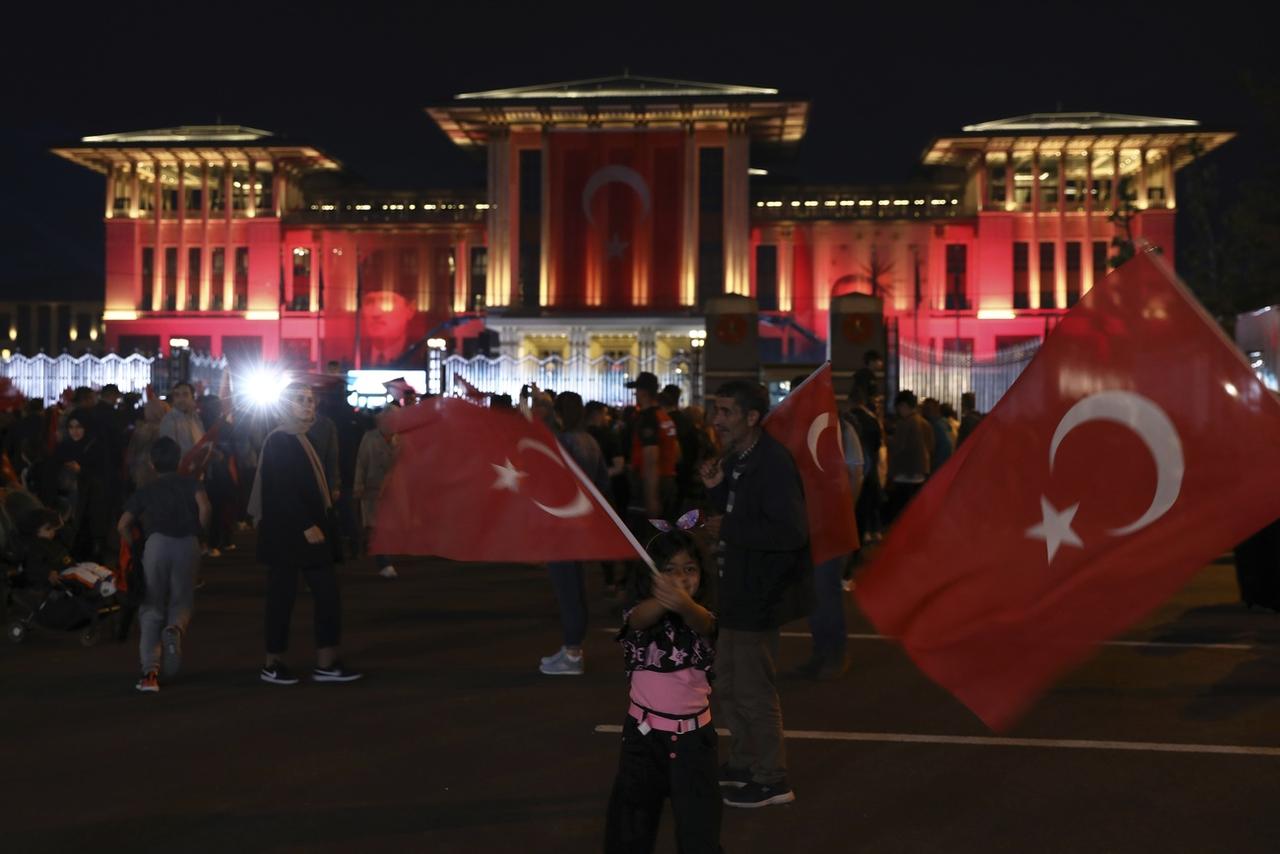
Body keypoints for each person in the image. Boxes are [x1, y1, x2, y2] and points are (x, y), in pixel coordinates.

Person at [701, 380, 808, 808]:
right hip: (735, 591)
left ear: (751, 417)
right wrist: (716, 490)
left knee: (753, 690)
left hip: (758, 594)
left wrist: (729, 528)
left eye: (726, 412)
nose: (716, 420)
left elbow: (790, 533)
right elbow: (739, 511)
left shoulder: (773, 463)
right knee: (727, 684)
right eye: (716, 410)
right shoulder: (740, 459)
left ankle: (773, 777)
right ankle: (745, 761)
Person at [604, 523, 721, 853]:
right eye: (668, 570)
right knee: (630, 829)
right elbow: (638, 619)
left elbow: (705, 623)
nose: (680, 578)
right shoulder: (639, 613)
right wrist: (665, 598)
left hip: (694, 743)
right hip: (642, 738)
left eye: (689, 569)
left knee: (700, 831)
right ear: (651, 575)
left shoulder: (704, 615)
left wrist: (683, 603)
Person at [250, 382, 361, 685]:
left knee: (327, 594)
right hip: (288, 533)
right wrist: (304, 523)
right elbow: (280, 488)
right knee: (281, 599)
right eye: (299, 400)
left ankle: (326, 662)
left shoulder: (304, 438)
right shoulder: (279, 440)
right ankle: (272, 663)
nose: (307, 405)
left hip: (310, 531)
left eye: (310, 400)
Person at [117, 437, 210, 693]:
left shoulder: (146, 489)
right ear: (179, 459)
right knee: (182, 599)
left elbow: (123, 524)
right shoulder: (192, 483)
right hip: (187, 543)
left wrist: (136, 547)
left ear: (151, 462)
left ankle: (150, 674)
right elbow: (205, 507)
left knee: (151, 607)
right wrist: (199, 530)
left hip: (156, 544)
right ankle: (175, 628)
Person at [793, 375, 863, 681]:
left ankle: (835, 654)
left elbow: (855, 473)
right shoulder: (793, 431)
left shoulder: (840, 429)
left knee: (826, 591)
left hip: (830, 525)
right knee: (813, 592)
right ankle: (821, 653)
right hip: (804, 525)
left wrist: (840, 513)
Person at [540, 391, 611, 676]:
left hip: (562, 522)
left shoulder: (562, 442)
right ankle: (572, 646)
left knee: (567, 587)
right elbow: (603, 483)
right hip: (581, 520)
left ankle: (572, 650)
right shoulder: (590, 442)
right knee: (574, 585)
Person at [626, 372, 679, 520]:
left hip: (652, 483)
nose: (635, 394)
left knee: (647, 535)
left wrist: (652, 499)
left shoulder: (648, 419)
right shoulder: (664, 416)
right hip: (667, 480)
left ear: (643, 392)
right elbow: (676, 452)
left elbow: (651, 461)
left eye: (636, 390)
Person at [353, 409, 398, 578]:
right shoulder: (369, 438)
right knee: (377, 526)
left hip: (394, 491)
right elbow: (361, 462)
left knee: (388, 526)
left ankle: (382, 555)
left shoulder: (401, 439)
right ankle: (384, 562)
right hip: (372, 489)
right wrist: (359, 484)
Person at [885, 390, 932, 525]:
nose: (898, 411)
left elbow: (898, 448)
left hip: (904, 474)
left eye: (899, 407)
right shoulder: (924, 423)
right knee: (916, 513)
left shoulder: (904, 423)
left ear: (903, 405)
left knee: (902, 515)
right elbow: (931, 445)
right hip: (921, 472)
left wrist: (888, 440)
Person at [846, 381, 884, 544]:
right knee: (866, 506)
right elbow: (878, 444)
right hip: (870, 468)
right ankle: (866, 534)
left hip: (851, 468)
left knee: (854, 508)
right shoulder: (872, 419)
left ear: (850, 400)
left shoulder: (846, 420)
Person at [159, 382, 205, 457]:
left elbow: (202, 441)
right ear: (173, 399)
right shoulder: (169, 420)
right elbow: (169, 453)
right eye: (177, 395)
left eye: (185, 395)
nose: (181, 399)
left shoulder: (195, 418)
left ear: (192, 398)